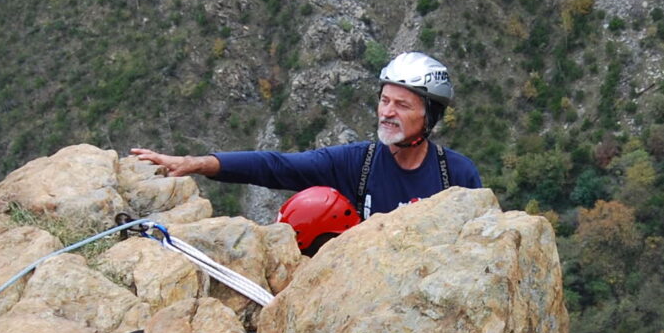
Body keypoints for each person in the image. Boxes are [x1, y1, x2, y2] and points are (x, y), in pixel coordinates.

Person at [130, 53, 483, 222]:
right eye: (384, 100)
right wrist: (197, 164)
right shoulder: (358, 163)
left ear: (429, 116)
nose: (387, 112)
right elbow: (277, 166)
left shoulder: (457, 176)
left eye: (402, 105)